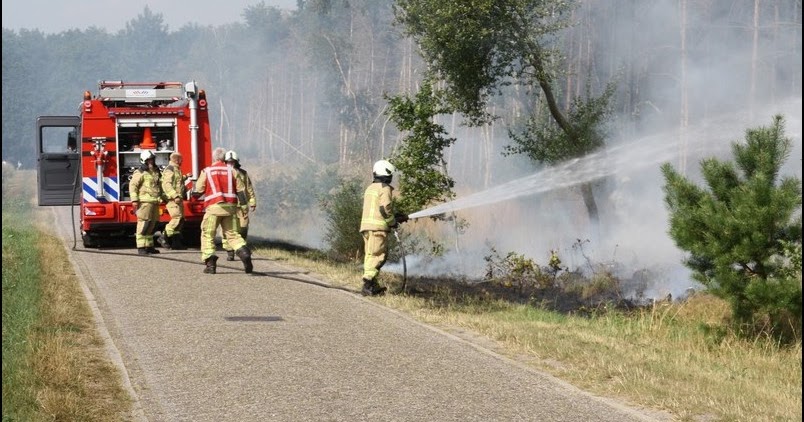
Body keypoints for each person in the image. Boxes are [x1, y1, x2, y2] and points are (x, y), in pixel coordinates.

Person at [192, 147, 253, 274]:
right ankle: (244, 253)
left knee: (207, 235)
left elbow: (197, 191)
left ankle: (210, 265)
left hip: (213, 208)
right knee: (233, 235)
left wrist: (194, 194)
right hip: (230, 209)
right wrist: (243, 207)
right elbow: (241, 191)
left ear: (214, 158)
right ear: (224, 159)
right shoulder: (232, 171)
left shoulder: (207, 171)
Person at [359, 159, 408, 296]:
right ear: (386, 174)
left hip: (367, 228)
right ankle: (368, 284)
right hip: (377, 229)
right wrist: (392, 221)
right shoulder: (384, 188)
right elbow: (384, 207)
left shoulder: (370, 188)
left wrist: (394, 217)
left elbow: (376, 208)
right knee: (378, 256)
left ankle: (371, 284)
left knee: (370, 255)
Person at [222, 150, 257, 261]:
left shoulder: (243, 173)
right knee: (228, 229)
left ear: (236, 162)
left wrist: (252, 201)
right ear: (225, 162)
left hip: (241, 206)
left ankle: (240, 248)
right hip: (228, 205)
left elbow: (248, 188)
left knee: (243, 227)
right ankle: (230, 251)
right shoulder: (221, 173)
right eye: (228, 162)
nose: (230, 164)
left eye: (232, 162)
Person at [130, 150, 162, 255]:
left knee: (153, 224)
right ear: (144, 160)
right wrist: (134, 200)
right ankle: (141, 247)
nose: (151, 161)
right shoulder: (139, 172)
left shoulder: (156, 171)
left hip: (154, 202)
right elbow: (133, 186)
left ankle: (149, 246)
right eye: (149, 159)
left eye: (152, 159)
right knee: (144, 224)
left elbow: (158, 186)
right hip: (144, 202)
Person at [158, 152, 188, 250]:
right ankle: (163, 237)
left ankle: (176, 243)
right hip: (172, 199)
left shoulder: (176, 169)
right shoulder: (170, 169)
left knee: (181, 220)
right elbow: (167, 184)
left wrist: (186, 176)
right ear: (177, 160)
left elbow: (177, 180)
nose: (182, 161)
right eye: (181, 160)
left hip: (178, 199)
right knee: (176, 218)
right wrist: (174, 195)